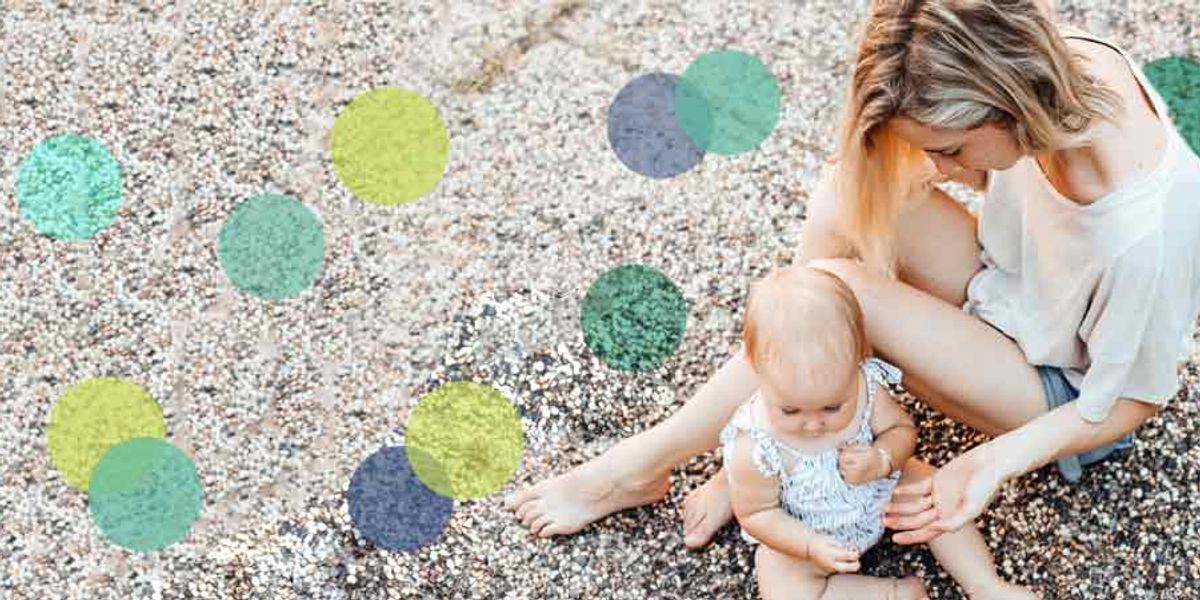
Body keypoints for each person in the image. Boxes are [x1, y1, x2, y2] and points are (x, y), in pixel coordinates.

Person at [506, 0, 1200, 562]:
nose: (948, 172)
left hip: (1056, 388)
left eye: (951, 151)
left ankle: (643, 465)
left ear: (1010, 103)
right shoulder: (1056, 60)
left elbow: (1131, 403)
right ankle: (767, 432)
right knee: (848, 190)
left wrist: (988, 464)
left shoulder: (1145, 228)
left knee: (842, 293)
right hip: (1009, 288)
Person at [721, 265, 1033, 599]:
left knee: (931, 487)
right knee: (780, 581)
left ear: (859, 359)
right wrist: (809, 545)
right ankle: (892, 594)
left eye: (831, 408)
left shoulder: (865, 387)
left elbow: (900, 429)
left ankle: (985, 583)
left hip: (881, 496)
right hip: (808, 533)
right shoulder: (755, 447)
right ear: (756, 370)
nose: (813, 425)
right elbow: (757, 514)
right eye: (790, 410)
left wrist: (883, 458)